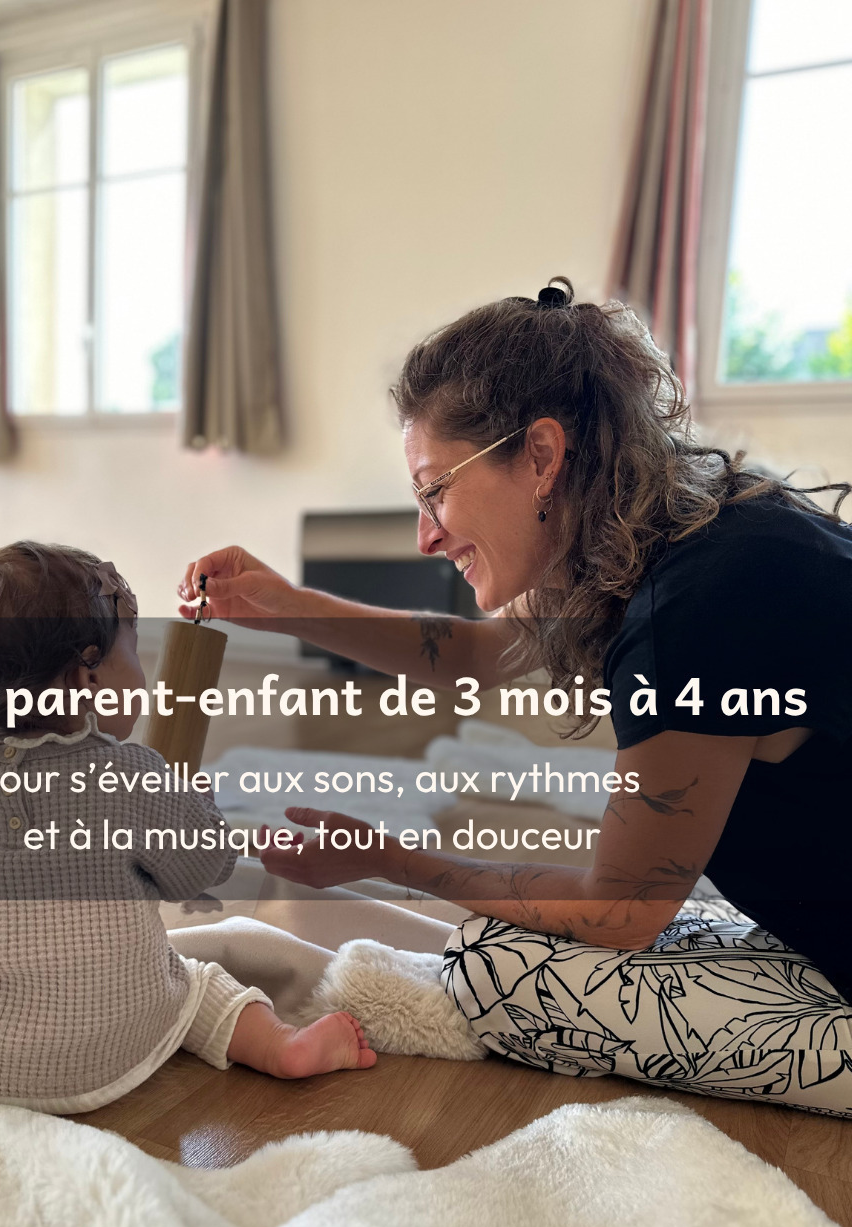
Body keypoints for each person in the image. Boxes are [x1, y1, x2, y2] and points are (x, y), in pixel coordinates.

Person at [177, 277, 852, 1115]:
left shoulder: (696, 608)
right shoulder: (684, 531)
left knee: (494, 966)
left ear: (540, 455)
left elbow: (619, 913)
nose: (425, 535)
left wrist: (391, 860)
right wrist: (283, 605)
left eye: (436, 490)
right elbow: (472, 656)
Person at [0, 543, 375, 1106]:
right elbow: (204, 869)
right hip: (116, 1047)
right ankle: (280, 1047)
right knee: (196, 984)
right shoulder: (135, 777)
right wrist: (194, 806)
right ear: (90, 675)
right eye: (133, 651)